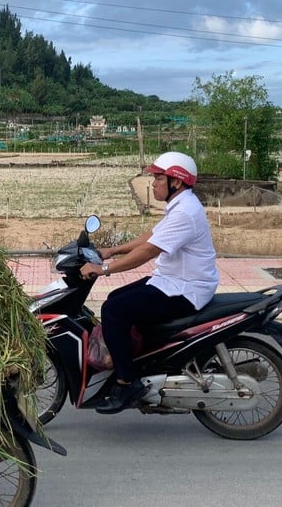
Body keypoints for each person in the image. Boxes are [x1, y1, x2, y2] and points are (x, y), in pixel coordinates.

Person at [80, 151, 219, 414]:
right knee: (114, 300)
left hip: (185, 289)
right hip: (173, 281)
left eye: (158, 178)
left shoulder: (185, 212)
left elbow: (147, 252)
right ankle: (144, 362)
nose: (153, 183)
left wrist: (103, 269)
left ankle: (127, 382)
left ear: (175, 182)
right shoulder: (181, 205)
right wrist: (112, 251)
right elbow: (151, 236)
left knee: (114, 311)